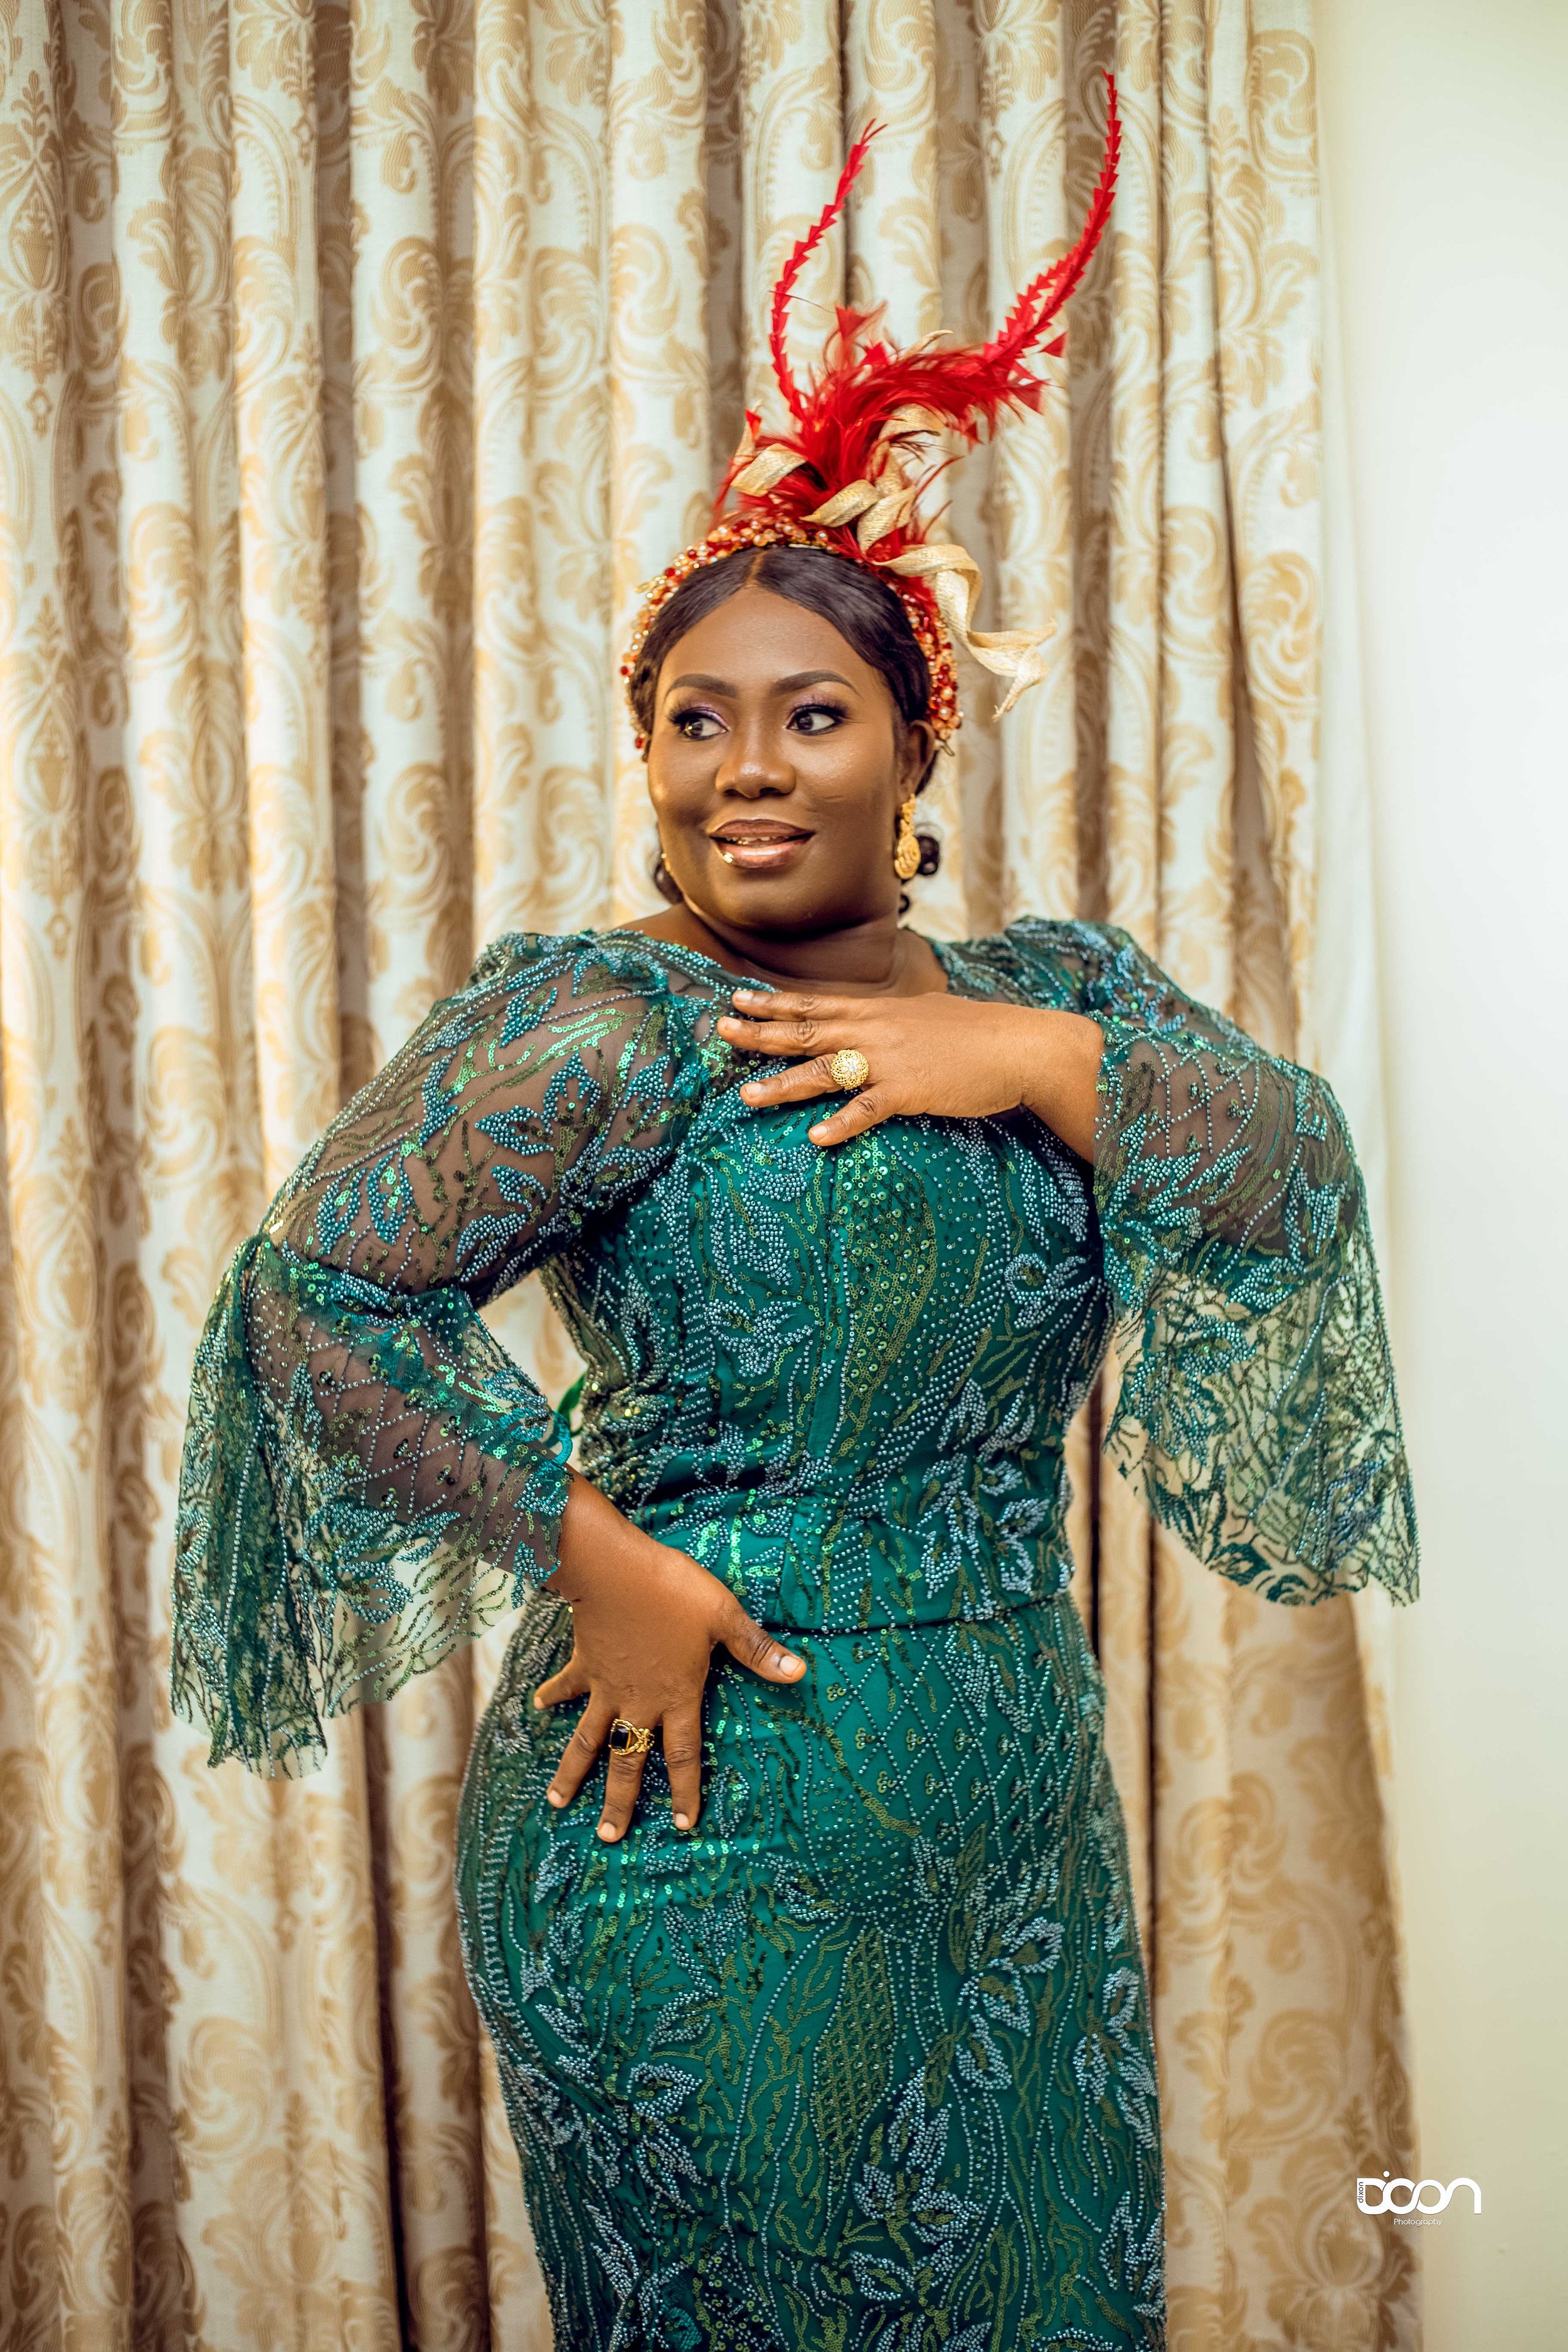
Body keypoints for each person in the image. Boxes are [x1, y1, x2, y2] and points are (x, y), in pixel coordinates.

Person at [171, 85, 1416, 2351]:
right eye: (690, 719)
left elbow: (1289, 1165)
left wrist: (1030, 1068)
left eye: (813, 714)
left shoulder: (1062, 999)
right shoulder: (604, 1027)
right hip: (694, 1821)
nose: (746, 765)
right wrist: (594, 1561)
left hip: (1009, 1828)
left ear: (915, 749)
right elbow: (312, 1301)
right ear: (643, 755)